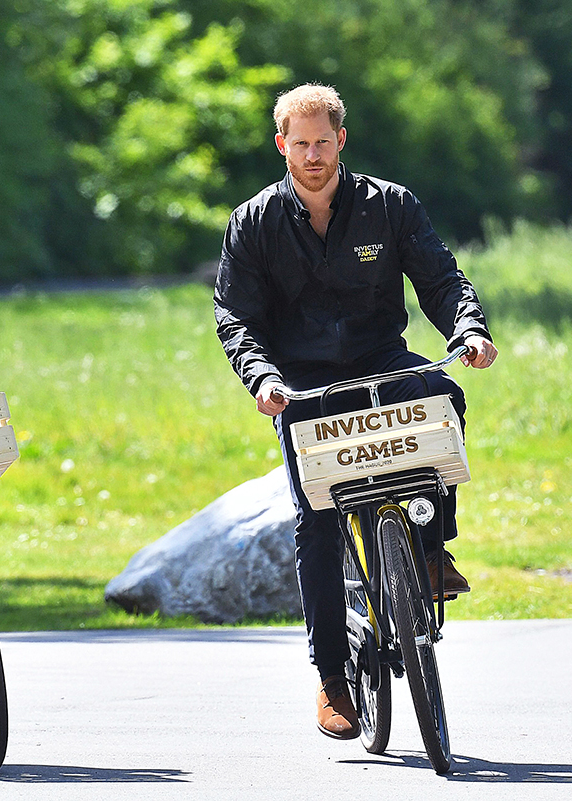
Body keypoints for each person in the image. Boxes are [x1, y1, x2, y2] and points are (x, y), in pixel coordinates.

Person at [213, 84, 497, 740]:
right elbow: (236, 316)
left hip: (381, 361)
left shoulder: (389, 205)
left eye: (323, 141)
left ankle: (429, 549)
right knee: (315, 522)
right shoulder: (252, 223)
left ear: (342, 139)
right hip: (304, 386)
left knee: (440, 394)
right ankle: (333, 678)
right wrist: (262, 378)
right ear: (281, 144)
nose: (312, 154)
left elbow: (442, 278)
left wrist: (469, 329)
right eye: (299, 143)